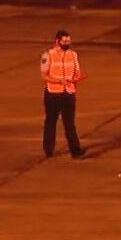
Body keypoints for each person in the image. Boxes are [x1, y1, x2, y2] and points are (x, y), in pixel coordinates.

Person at [40, 28, 86, 158]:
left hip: (69, 93)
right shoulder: (48, 55)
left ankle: (75, 151)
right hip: (53, 93)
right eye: (64, 41)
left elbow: (77, 72)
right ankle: (48, 149)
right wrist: (59, 81)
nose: (67, 43)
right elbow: (44, 75)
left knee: (70, 123)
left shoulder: (73, 55)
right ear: (57, 41)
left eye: (68, 41)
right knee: (51, 122)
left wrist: (76, 78)